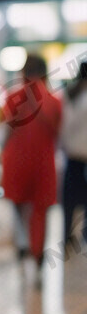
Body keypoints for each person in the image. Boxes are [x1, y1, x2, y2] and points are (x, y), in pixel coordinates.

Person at [0, 54, 62, 278]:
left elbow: (6, 129)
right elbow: (57, 133)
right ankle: (37, 254)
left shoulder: (14, 97)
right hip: (43, 163)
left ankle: (22, 244)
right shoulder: (54, 101)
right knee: (40, 211)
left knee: (18, 206)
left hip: (16, 160)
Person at [61, 61, 87, 256]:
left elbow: (63, 128)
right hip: (82, 157)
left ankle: (68, 237)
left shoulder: (70, 95)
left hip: (71, 157)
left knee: (69, 202)